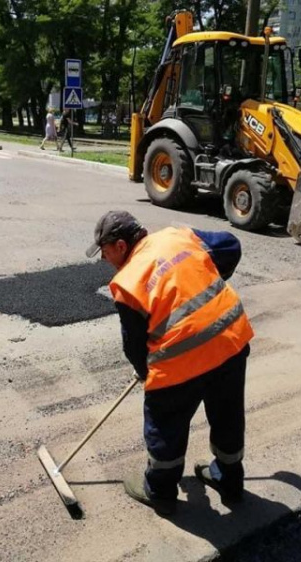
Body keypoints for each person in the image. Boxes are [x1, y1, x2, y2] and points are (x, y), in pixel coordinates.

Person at [86, 211, 253, 516]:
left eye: (105, 251)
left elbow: (134, 346)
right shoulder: (178, 237)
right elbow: (230, 245)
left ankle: (160, 491)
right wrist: (206, 280)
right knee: (228, 416)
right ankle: (230, 481)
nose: (103, 259)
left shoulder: (127, 282)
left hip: (182, 361)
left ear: (121, 246)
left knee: (164, 423)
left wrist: (144, 372)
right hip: (230, 341)